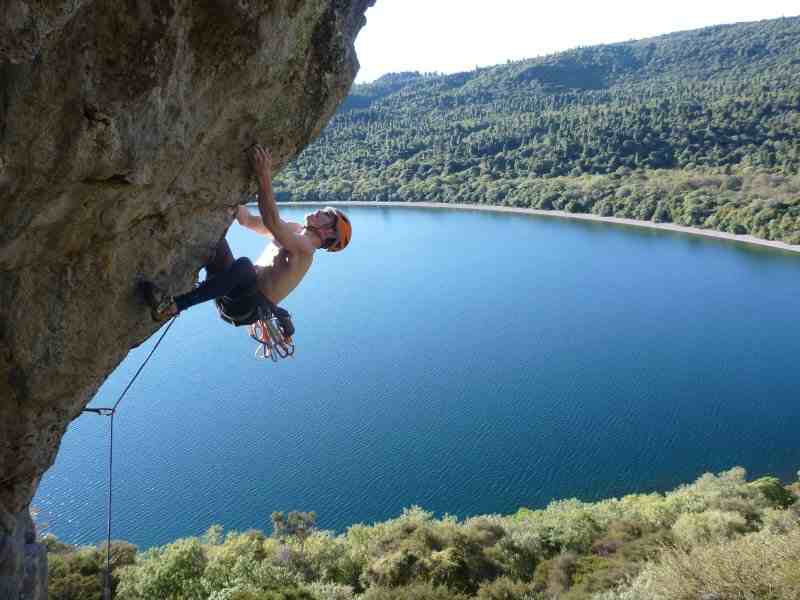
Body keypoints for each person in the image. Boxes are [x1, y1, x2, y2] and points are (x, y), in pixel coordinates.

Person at [142, 144, 351, 324]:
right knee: (214, 241)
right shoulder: (295, 230)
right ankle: (167, 291)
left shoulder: (305, 251)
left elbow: (271, 220)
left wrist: (264, 175)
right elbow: (248, 221)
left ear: (328, 232)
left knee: (244, 267)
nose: (319, 211)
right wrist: (231, 201)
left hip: (246, 307)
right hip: (233, 291)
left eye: (325, 214)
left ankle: (171, 306)